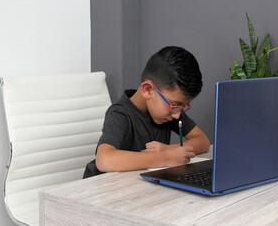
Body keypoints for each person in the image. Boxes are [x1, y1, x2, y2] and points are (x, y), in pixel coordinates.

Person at [83, 46, 210, 178]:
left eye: (182, 107)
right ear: (148, 90)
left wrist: (168, 149)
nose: (177, 115)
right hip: (99, 188)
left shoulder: (170, 110)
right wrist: (165, 157)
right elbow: (104, 160)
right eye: (175, 105)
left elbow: (203, 141)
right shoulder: (120, 113)